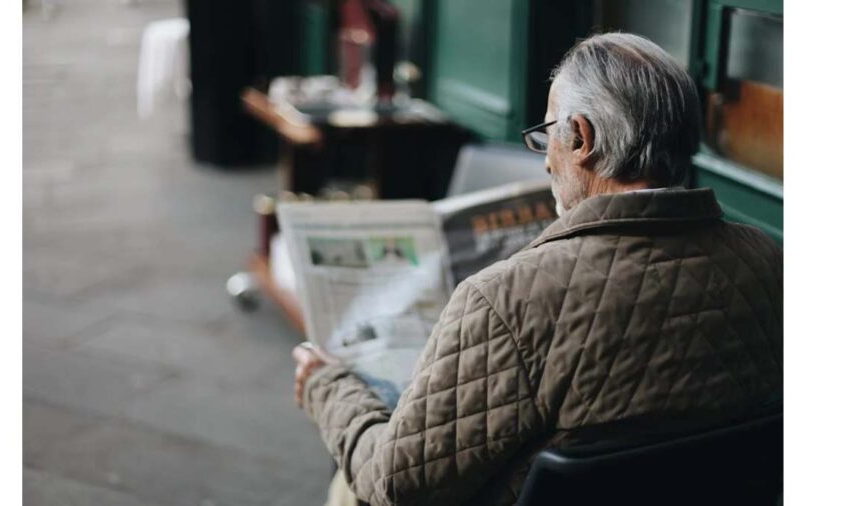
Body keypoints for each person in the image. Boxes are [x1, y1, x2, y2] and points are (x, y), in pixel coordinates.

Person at [292, 32, 783, 506]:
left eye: (548, 132)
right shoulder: (770, 262)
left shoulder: (506, 301)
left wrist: (326, 385)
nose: (547, 162)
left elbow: (395, 485)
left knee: (352, 483)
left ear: (581, 138)